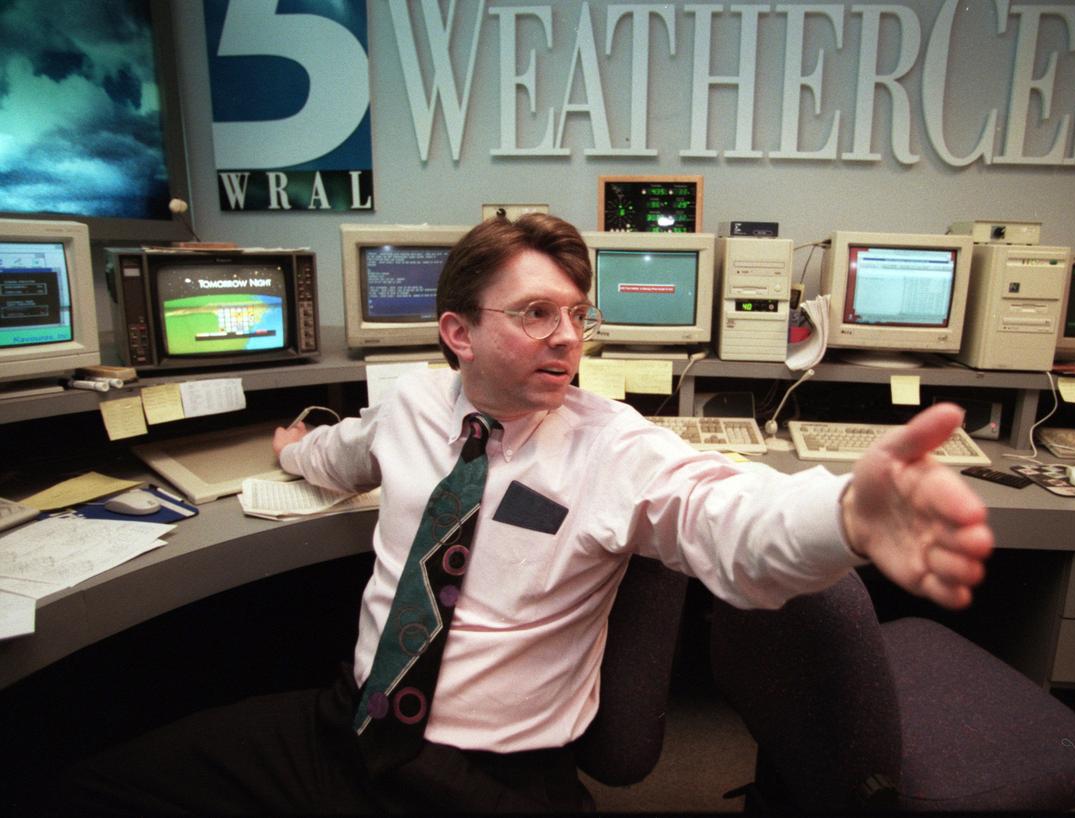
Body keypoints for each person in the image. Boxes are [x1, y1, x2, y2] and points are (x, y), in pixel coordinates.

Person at [62, 214, 992, 814]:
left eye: (578, 315)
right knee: (96, 789)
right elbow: (340, 456)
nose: (567, 338)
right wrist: (290, 449)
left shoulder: (611, 444)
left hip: (490, 780)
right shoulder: (412, 406)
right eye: (536, 312)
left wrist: (841, 517)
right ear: (459, 332)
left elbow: (730, 522)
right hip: (343, 732)